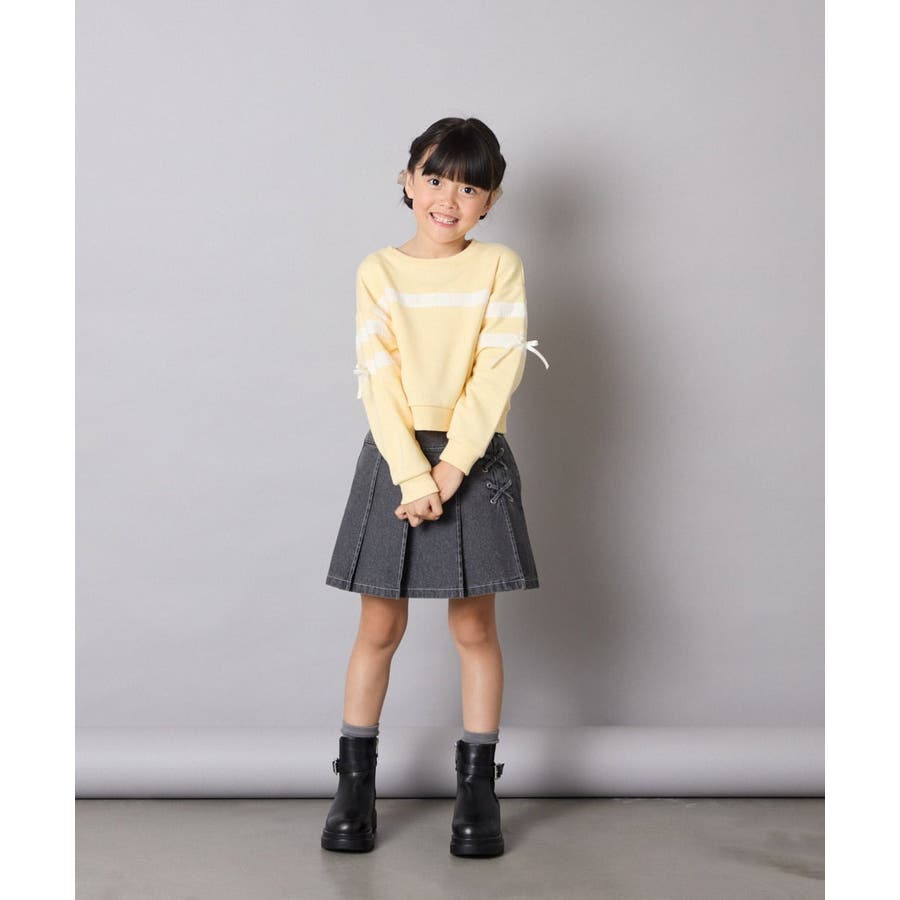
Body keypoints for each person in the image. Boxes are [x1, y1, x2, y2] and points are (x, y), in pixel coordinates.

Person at [321, 116, 549, 858]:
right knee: (378, 629)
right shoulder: (377, 272)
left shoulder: (499, 267)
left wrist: (451, 469)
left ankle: (477, 790)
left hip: (473, 460)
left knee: (474, 629)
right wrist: (413, 472)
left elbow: (499, 369)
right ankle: (354, 785)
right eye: (435, 178)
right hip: (395, 458)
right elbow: (378, 378)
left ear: (491, 201)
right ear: (407, 180)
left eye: (470, 188)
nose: (449, 199)